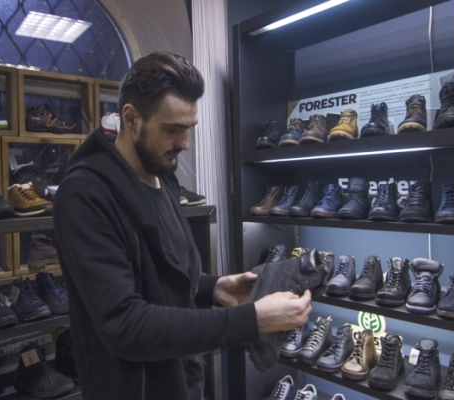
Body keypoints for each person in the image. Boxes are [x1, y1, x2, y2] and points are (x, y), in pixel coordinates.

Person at [53, 51, 312, 400]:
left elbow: (163, 276)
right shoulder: (84, 195)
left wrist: (211, 288)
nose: (184, 144)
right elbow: (124, 324)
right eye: (172, 129)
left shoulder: (163, 178)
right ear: (131, 118)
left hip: (184, 383)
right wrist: (251, 320)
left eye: (188, 129)